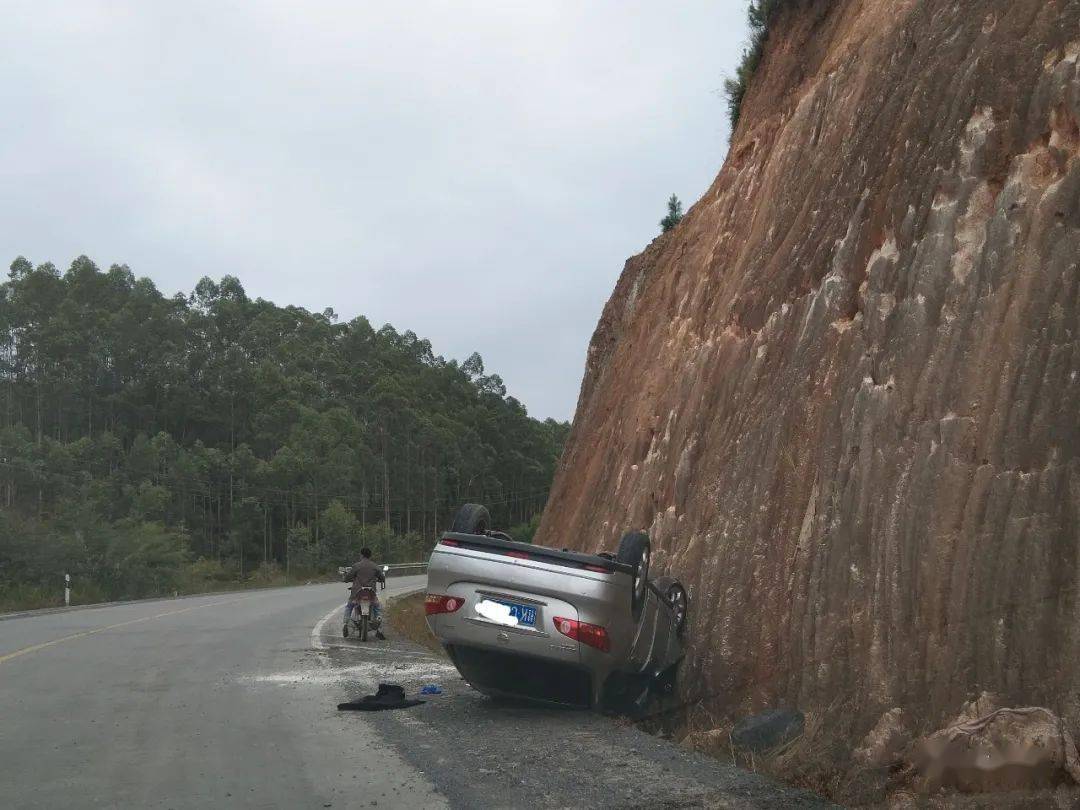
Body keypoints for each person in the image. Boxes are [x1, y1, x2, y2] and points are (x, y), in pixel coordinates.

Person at [343, 547, 386, 640]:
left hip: (357, 593)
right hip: (371, 594)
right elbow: (382, 577)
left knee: (349, 606)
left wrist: (346, 578)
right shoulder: (375, 566)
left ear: (361, 555)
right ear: (370, 556)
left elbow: (348, 577)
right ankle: (380, 630)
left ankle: (345, 624)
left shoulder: (356, 566)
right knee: (378, 608)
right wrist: (378, 579)